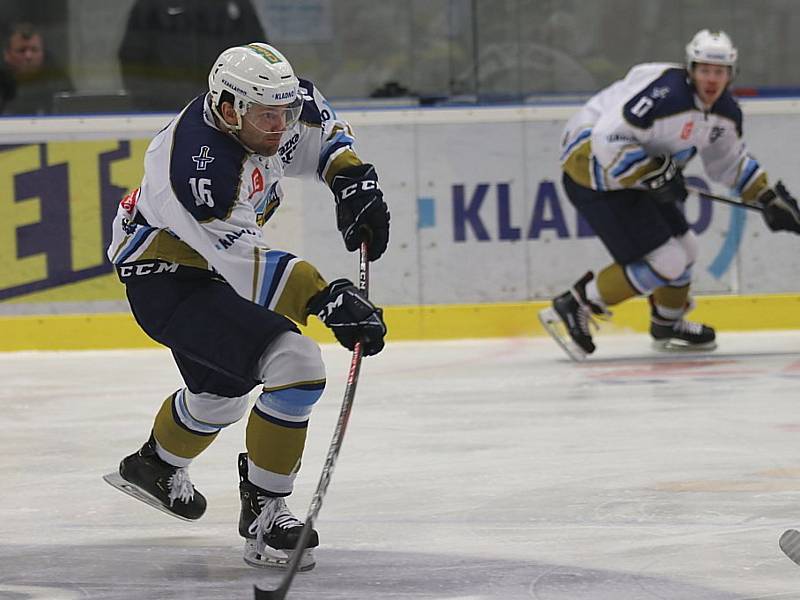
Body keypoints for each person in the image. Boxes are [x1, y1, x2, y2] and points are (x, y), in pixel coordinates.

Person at [102, 42, 390, 572]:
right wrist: (327, 298)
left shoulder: (271, 108)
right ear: (229, 108)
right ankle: (265, 510)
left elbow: (322, 134)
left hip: (206, 270)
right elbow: (248, 267)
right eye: (268, 116)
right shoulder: (196, 168)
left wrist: (351, 179)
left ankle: (155, 465)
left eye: (285, 112)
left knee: (221, 395)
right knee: (295, 365)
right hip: (166, 278)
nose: (281, 126)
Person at [539, 29, 800, 361]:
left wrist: (766, 198)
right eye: (704, 69)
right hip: (592, 171)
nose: (711, 79)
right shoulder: (666, 94)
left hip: (636, 177)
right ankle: (576, 303)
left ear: (730, 74)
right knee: (668, 260)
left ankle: (667, 324)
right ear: (691, 69)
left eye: (719, 72)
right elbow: (607, 138)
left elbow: (728, 162)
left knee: (686, 248)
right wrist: (653, 174)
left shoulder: (724, 113)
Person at [118, 0, 267, 111]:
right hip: (165, 112)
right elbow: (132, 57)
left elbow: (259, 55)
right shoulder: (152, 6)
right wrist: (148, 106)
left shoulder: (237, 6)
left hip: (226, 113)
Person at [0, 22, 70, 115]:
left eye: (34, 50)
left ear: (43, 54)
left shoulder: (58, 82)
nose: (28, 56)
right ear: (7, 55)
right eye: (21, 50)